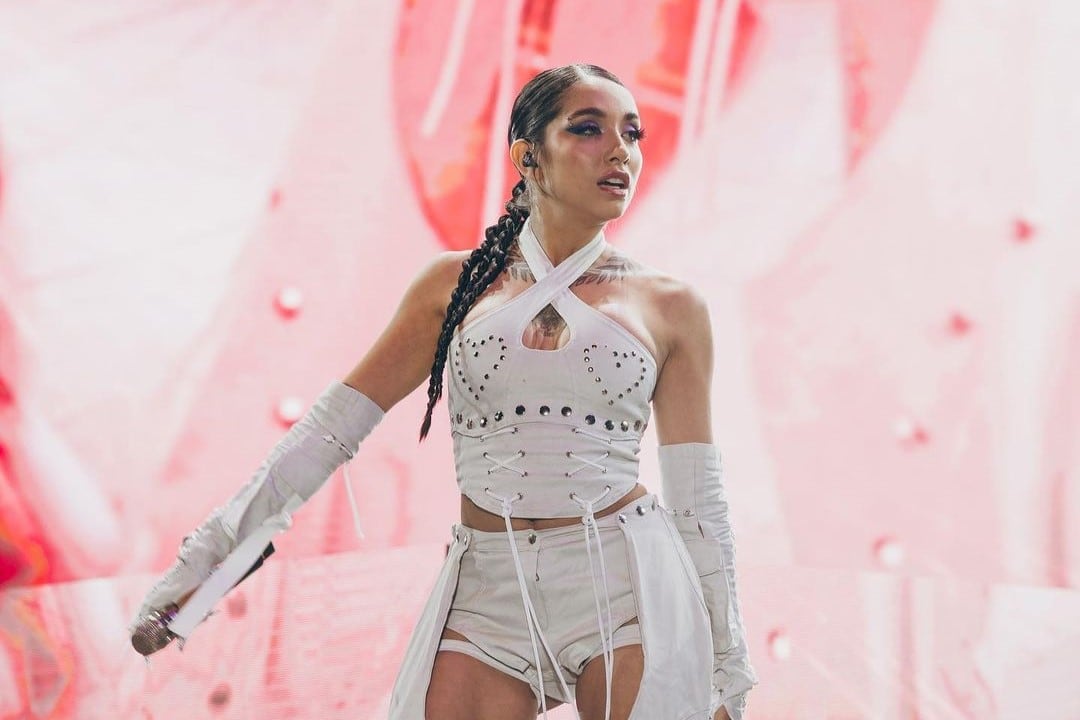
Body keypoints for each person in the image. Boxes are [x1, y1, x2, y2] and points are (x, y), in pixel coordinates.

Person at [131, 63, 758, 720]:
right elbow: (328, 434)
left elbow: (698, 501)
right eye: (588, 129)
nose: (620, 152)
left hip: (630, 579)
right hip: (490, 584)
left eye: (632, 134)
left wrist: (727, 668)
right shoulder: (451, 288)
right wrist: (202, 572)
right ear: (527, 156)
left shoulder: (672, 306)